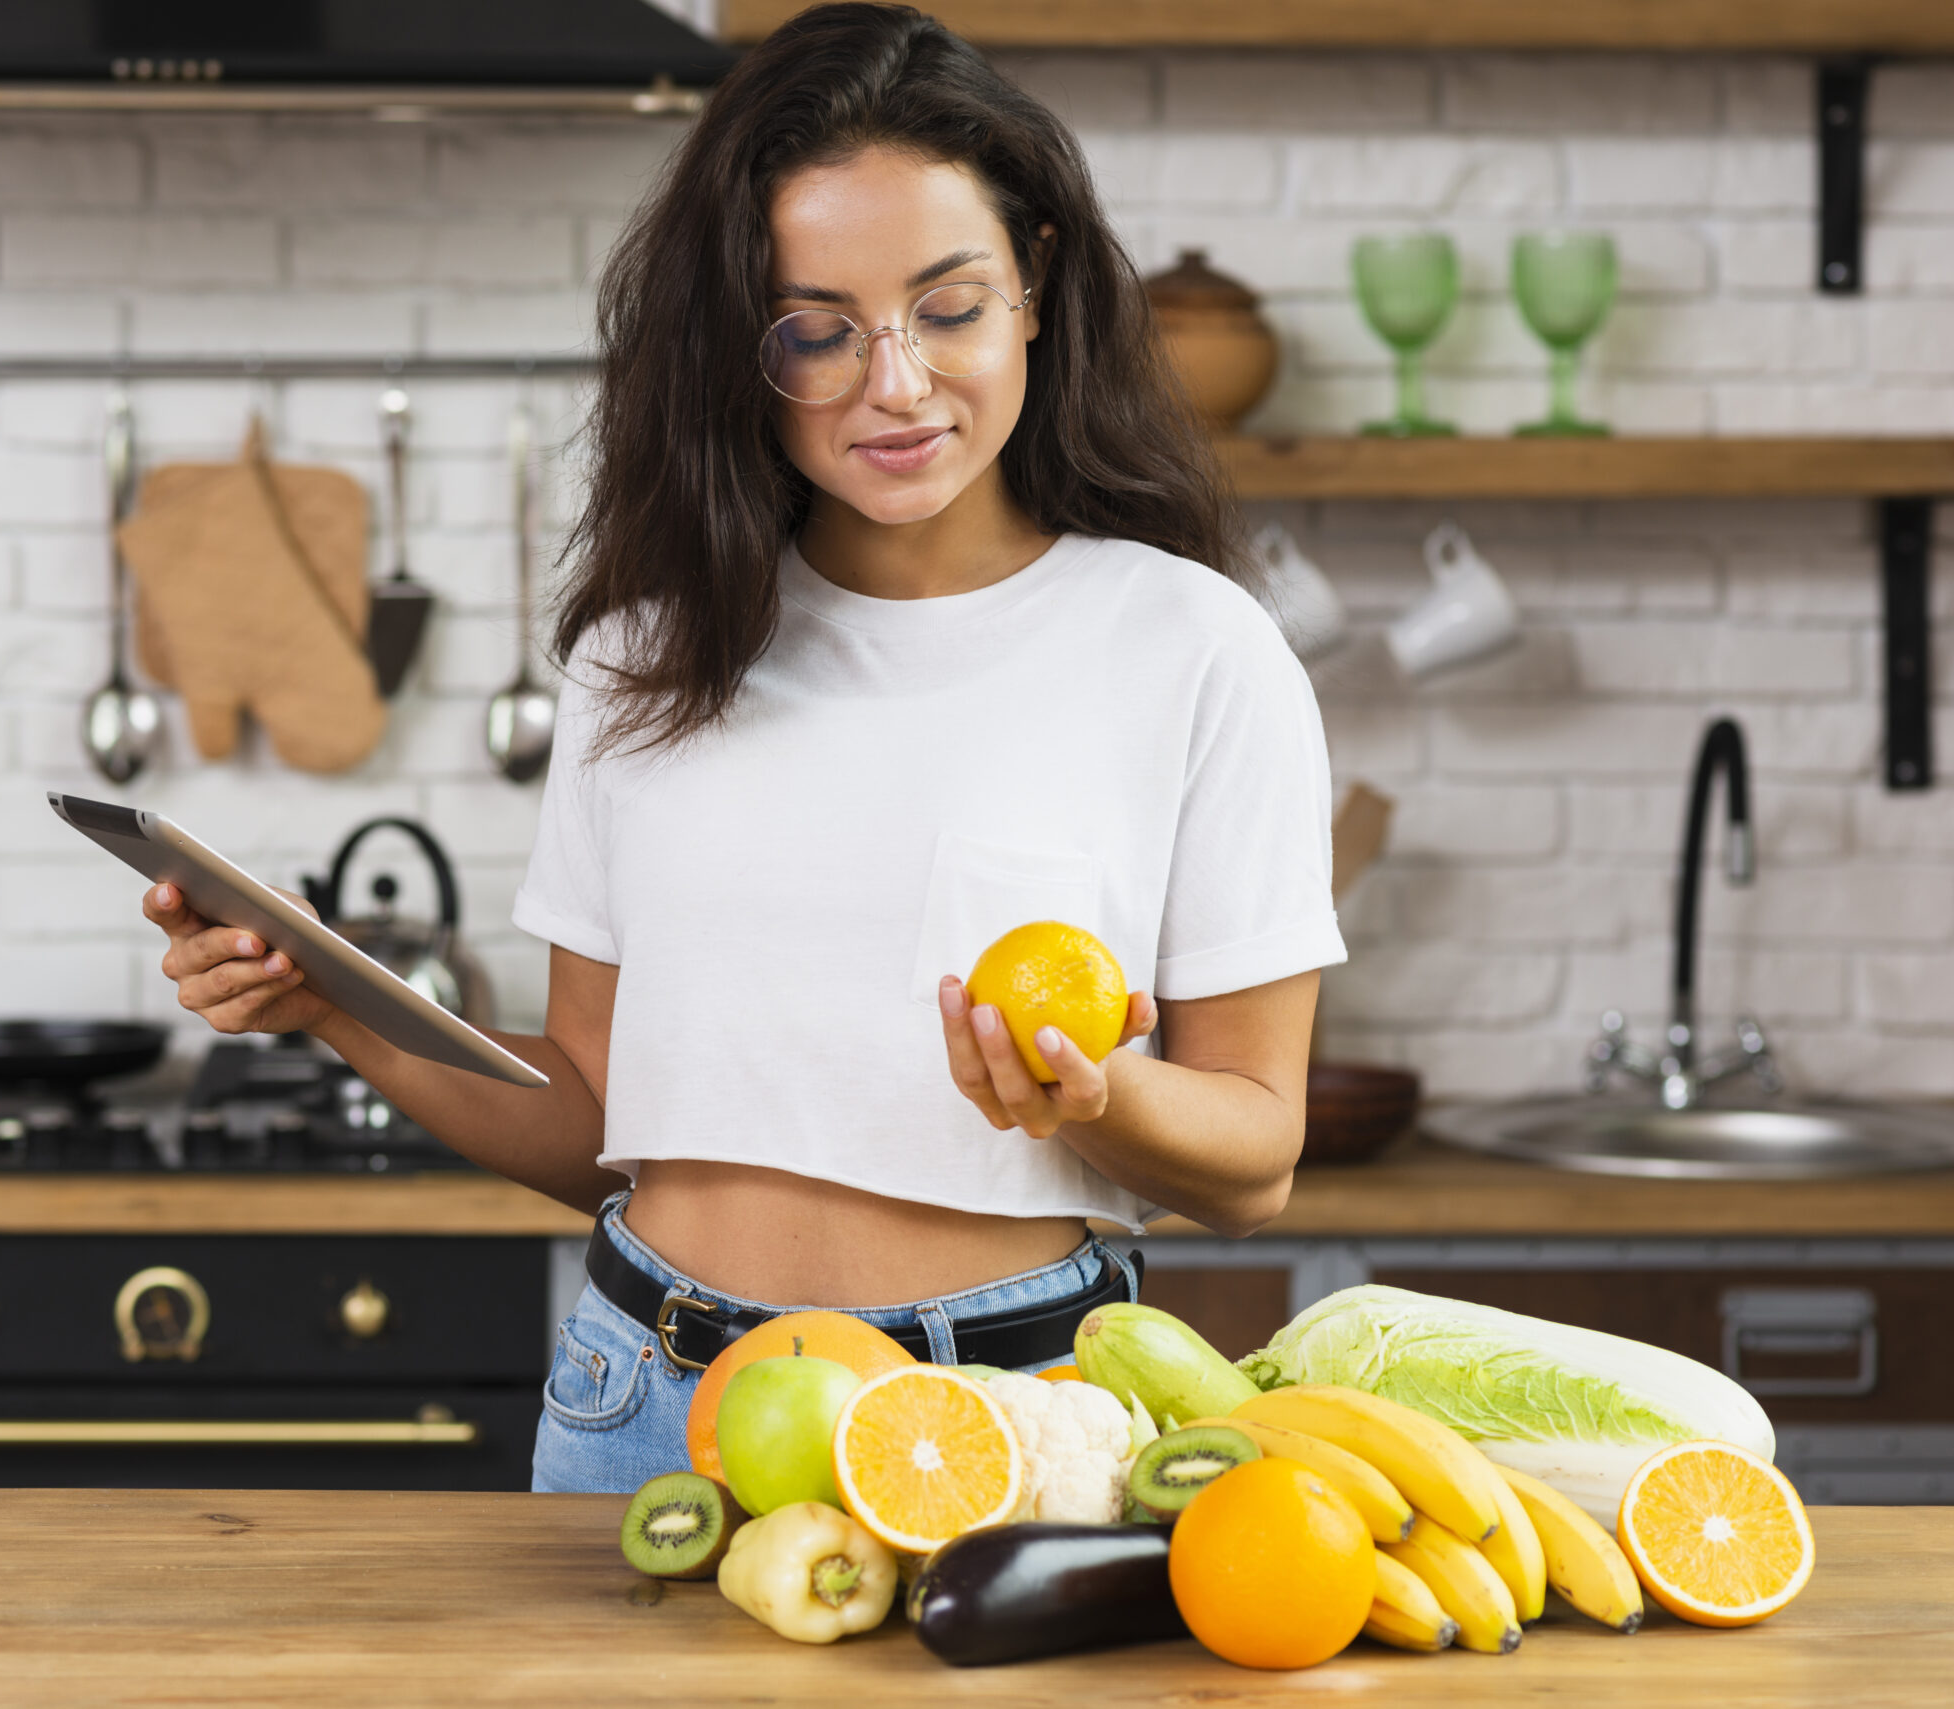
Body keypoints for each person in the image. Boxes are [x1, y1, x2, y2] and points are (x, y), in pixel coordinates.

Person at [144, 2, 1342, 1494]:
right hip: (645, 1398)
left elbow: (1256, 1156)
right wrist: (328, 1002)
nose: (893, 383)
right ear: (740, 350)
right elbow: (592, 1118)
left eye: (948, 308)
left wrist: (1103, 1096)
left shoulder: (1192, 649)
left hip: (1012, 1413)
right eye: (814, 332)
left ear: (1033, 284)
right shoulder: (645, 656)